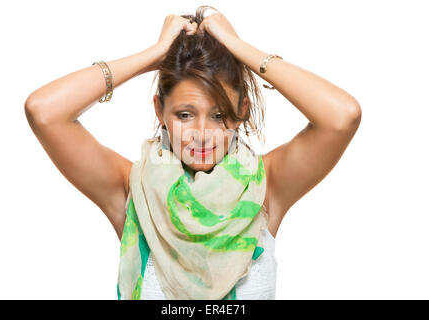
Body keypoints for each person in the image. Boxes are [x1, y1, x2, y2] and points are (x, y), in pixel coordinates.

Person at [24, 5, 361, 300]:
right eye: (184, 115)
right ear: (160, 110)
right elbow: (44, 111)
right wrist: (152, 56)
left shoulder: (266, 186)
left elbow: (342, 116)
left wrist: (240, 49)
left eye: (219, 115)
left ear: (242, 110)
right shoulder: (132, 190)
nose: (202, 135)